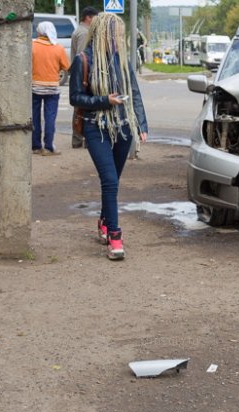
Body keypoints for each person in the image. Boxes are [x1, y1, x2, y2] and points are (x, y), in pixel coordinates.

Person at [69, 13, 148, 260]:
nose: (119, 39)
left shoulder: (121, 60)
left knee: (112, 182)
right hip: (96, 127)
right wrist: (105, 101)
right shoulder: (84, 60)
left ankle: (104, 220)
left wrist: (142, 124)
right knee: (110, 181)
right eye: (116, 35)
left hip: (123, 128)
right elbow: (75, 98)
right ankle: (115, 236)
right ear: (103, 34)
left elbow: (134, 92)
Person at [32, 21, 70, 155]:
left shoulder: (32, 46)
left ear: (40, 32)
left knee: (34, 117)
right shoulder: (58, 48)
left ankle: (35, 146)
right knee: (50, 118)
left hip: (34, 88)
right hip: (52, 89)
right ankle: (48, 147)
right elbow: (66, 66)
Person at [70, 6, 99, 149]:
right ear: (88, 17)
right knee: (83, 108)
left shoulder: (80, 30)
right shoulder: (84, 33)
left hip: (80, 75)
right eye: (95, 18)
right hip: (84, 76)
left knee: (80, 108)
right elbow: (84, 57)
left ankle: (79, 139)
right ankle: (82, 139)